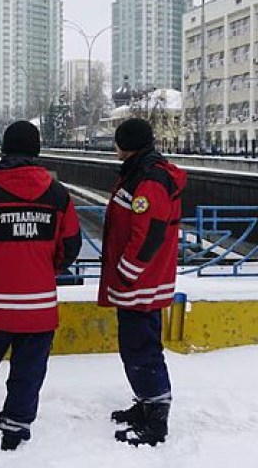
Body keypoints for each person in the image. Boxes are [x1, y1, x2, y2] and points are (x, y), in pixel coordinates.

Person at [0, 120, 82, 451]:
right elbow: (72, 243)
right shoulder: (57, 194)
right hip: (38, 308)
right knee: (28, 372)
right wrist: (48, 270)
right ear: (36, 152)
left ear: (4, 149)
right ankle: (15, 429)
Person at [100, 118, 187, 447]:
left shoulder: (148, 180)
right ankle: (146, 403)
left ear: (127, 144)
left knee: (142, 349)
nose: (115, 149)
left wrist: (126, 272)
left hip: (140, 283)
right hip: (139, 281)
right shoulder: (140, 172)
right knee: (135, 346)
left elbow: (149, 234)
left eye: (118, 142)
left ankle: (156, 418)